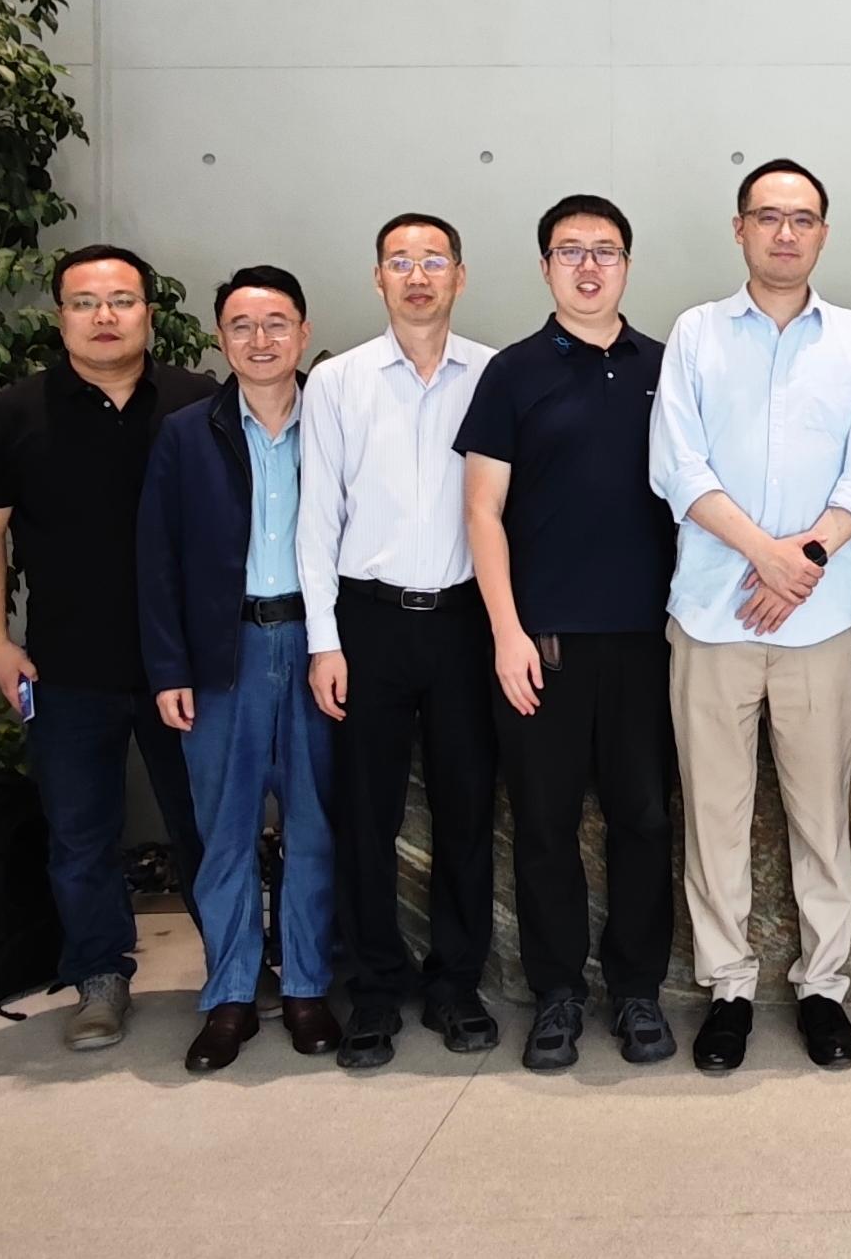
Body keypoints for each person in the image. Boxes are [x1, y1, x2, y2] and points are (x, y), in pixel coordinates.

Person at [649, 159, 851, 1074]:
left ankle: (823, 986)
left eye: (802, 218)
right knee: (714, 816)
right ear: (740, 228)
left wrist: (806, 562)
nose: (785, 232)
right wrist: (767, 554)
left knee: (819, 814)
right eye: (768, 216)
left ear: (822, 232)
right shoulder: (696, 334)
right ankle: (729, 988)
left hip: (818, 625)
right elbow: (678, 468)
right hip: (713, 620)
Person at [0, 244, 214, 1051]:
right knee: (79, 836)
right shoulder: (13, 413)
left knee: (207, 826)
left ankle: (235, 966)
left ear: (149, 313)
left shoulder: (198, 400)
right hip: (65, 665)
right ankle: (100, 976)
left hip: (187, 664)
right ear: (60, 315)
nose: (105, 317)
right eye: (84, 302)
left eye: (122, 301)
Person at [457, 195, 680, 1073]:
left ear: (628, 263)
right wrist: (506, 632)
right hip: (541, 643)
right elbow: (483, 510)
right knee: (544, 825)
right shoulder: (511, 373)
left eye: (606, 250)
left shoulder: (668, 366)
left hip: (649, 640)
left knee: (645, 820)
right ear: (545, 265)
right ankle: (557, 994)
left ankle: (637, 990)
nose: (589, 266)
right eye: (570, 250)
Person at [299, 213, 500, 1071]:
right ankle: (375, 987)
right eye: (400, 262)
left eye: (434, 261)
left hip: (463, 622)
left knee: (466, 810)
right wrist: (324, 641)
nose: (418, 276)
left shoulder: (494, 375)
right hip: (368, 623)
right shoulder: (337, 381)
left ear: (460, 275)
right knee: (365, 814)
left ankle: (456, 983)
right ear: (378, 278)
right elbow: (317, 519)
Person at [138, 265, 340, 1071]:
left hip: (316, 644)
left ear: (304, 332)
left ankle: (308, 986)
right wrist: (168, 669)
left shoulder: (336, 419)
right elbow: (156, 560)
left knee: (315, 826)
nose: (261, 340)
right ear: (221, 339)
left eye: (277, 323)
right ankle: (229, 994)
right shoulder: (188, 433)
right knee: (222, 832)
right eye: (242, 326)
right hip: (223, 655)